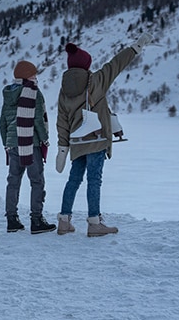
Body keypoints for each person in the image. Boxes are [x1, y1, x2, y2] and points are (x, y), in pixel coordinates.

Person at [55, 33, 153, 237]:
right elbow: (117, 64)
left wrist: (62, 148)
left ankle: (64, 221)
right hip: (97, 140)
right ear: (85, 65)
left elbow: (62, 122)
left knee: (73, 180)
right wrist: (136, 47)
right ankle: (94, 223)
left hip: (76, 142)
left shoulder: (63, 91)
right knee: (94, 180)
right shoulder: (96, 81)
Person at [0, 60, 56, 234]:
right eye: (33, 74)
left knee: (13, 181)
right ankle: (36, 220)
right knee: (37, 181)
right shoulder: (33, 92)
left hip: (13, 144)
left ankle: (12, 220)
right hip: (30, 143)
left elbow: (2, 122)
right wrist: (45, 139)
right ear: (27, 76)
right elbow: (38, 120)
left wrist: (6, 142)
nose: (36, 77)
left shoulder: (9, 93)